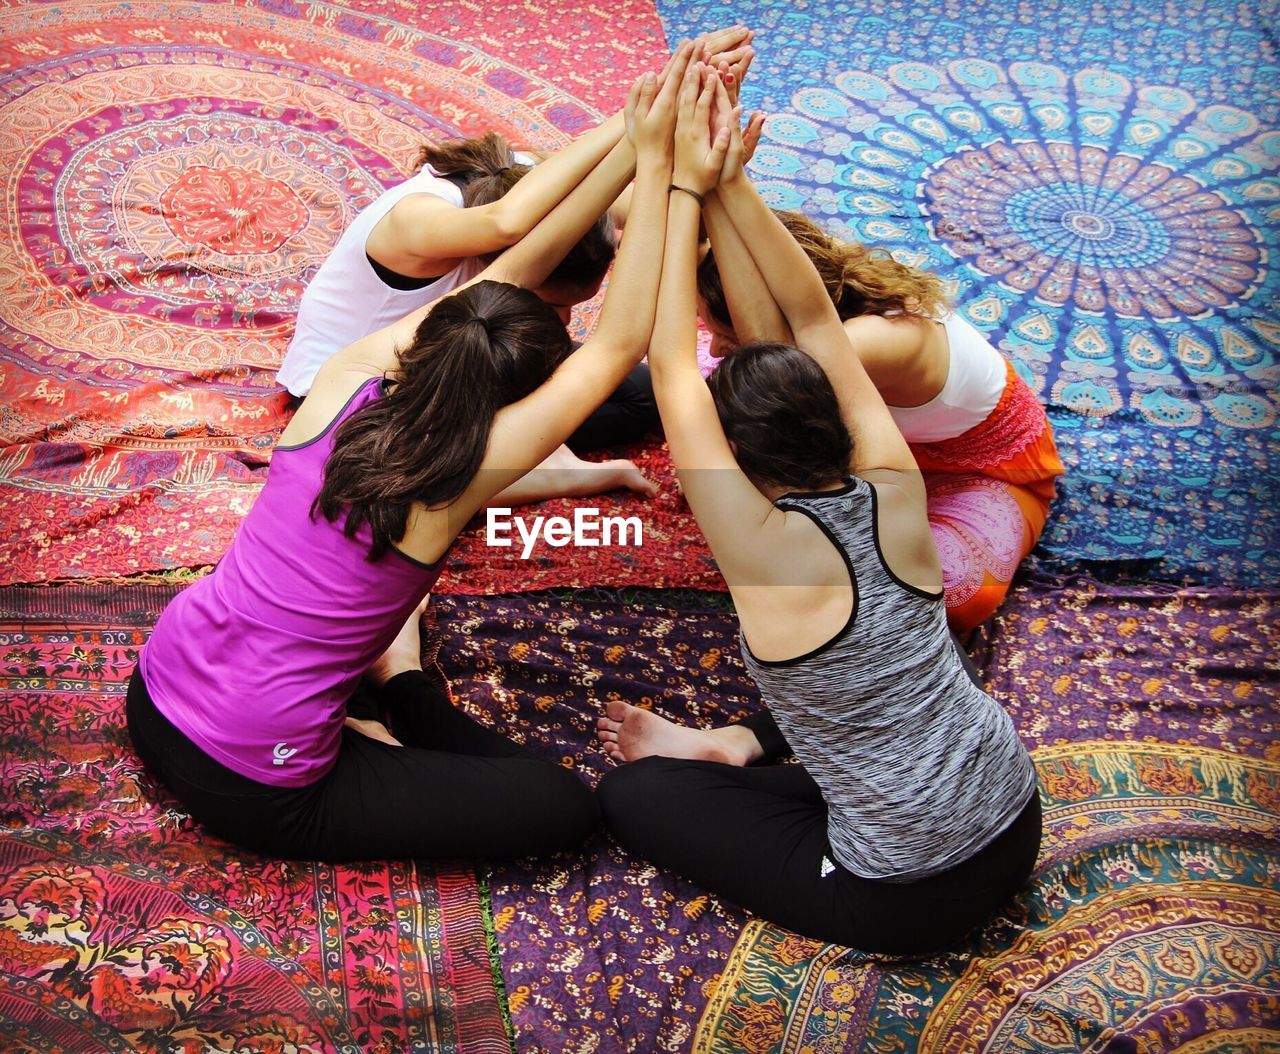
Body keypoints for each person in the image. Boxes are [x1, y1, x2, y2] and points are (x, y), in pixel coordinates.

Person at [125, 47, 692, 862]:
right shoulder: (452, 484)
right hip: (251, 779)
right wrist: (669, 172)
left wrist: (642, 137)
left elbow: (515, 272)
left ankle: (380, 687)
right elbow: (619, 346)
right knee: (565, 807)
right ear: (510, 403)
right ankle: (409, 690)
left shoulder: (339, 385)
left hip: (158, 683)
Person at [596, 70, 1040, 954]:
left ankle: (728, 759)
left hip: (913, 895)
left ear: (737, 461)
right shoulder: (892, 481)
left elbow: (670, 365)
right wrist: (723, 182)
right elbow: (810, 317)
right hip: (1016, 813)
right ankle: (732, 748)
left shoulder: (763, 548)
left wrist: (675, 181)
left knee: (630, 798)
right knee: (861, 738)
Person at [278, 29, 755, 505]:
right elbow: (506, 223)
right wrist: (649, 108)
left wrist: (712, 145)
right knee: (394, 479)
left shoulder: (525, 181)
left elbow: (663, 205)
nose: (566, 324)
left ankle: (522, 452)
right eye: (554, 306)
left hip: (467, 345)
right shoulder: (417, 224)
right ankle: (552, 472)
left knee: (644, 397)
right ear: (515, 262)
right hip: (360, 396)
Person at [696, 206, 1064, 634]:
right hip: (886, 453)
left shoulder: (869, 342)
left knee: (946, 596)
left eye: (727, 336)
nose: (719, 348)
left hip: (984, 473)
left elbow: (751, 386)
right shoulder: (821, 311)